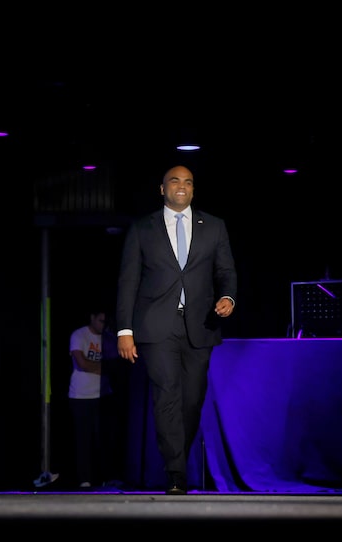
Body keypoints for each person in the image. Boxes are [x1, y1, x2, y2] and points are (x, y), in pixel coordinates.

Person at [115, 165, 237, 495]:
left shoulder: (214, 226)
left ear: (193, 190)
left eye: (187, 182)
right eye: (174, 181)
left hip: (200, 326)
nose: (181, 187)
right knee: (166, 394)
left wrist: (228, 296)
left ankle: (176, 458)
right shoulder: (143, 229)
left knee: (192, 400)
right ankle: (176, 472)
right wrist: (124, 330)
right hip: (155, 327)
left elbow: (226, 272)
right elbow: (128, 282)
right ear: (162, 189)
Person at [68, 308, 115, 489]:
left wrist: (103, 367)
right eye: (101, 321)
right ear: (92, 318)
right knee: (83, 439)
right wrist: (105, 367)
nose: (103, 326)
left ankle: (106, 478)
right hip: (81, 396)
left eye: (106, 322)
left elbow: (116, 363)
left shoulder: (108, 338)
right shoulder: (79, 335)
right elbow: (82, 364)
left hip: (103, 394)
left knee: (105, 439)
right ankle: (84, 479)